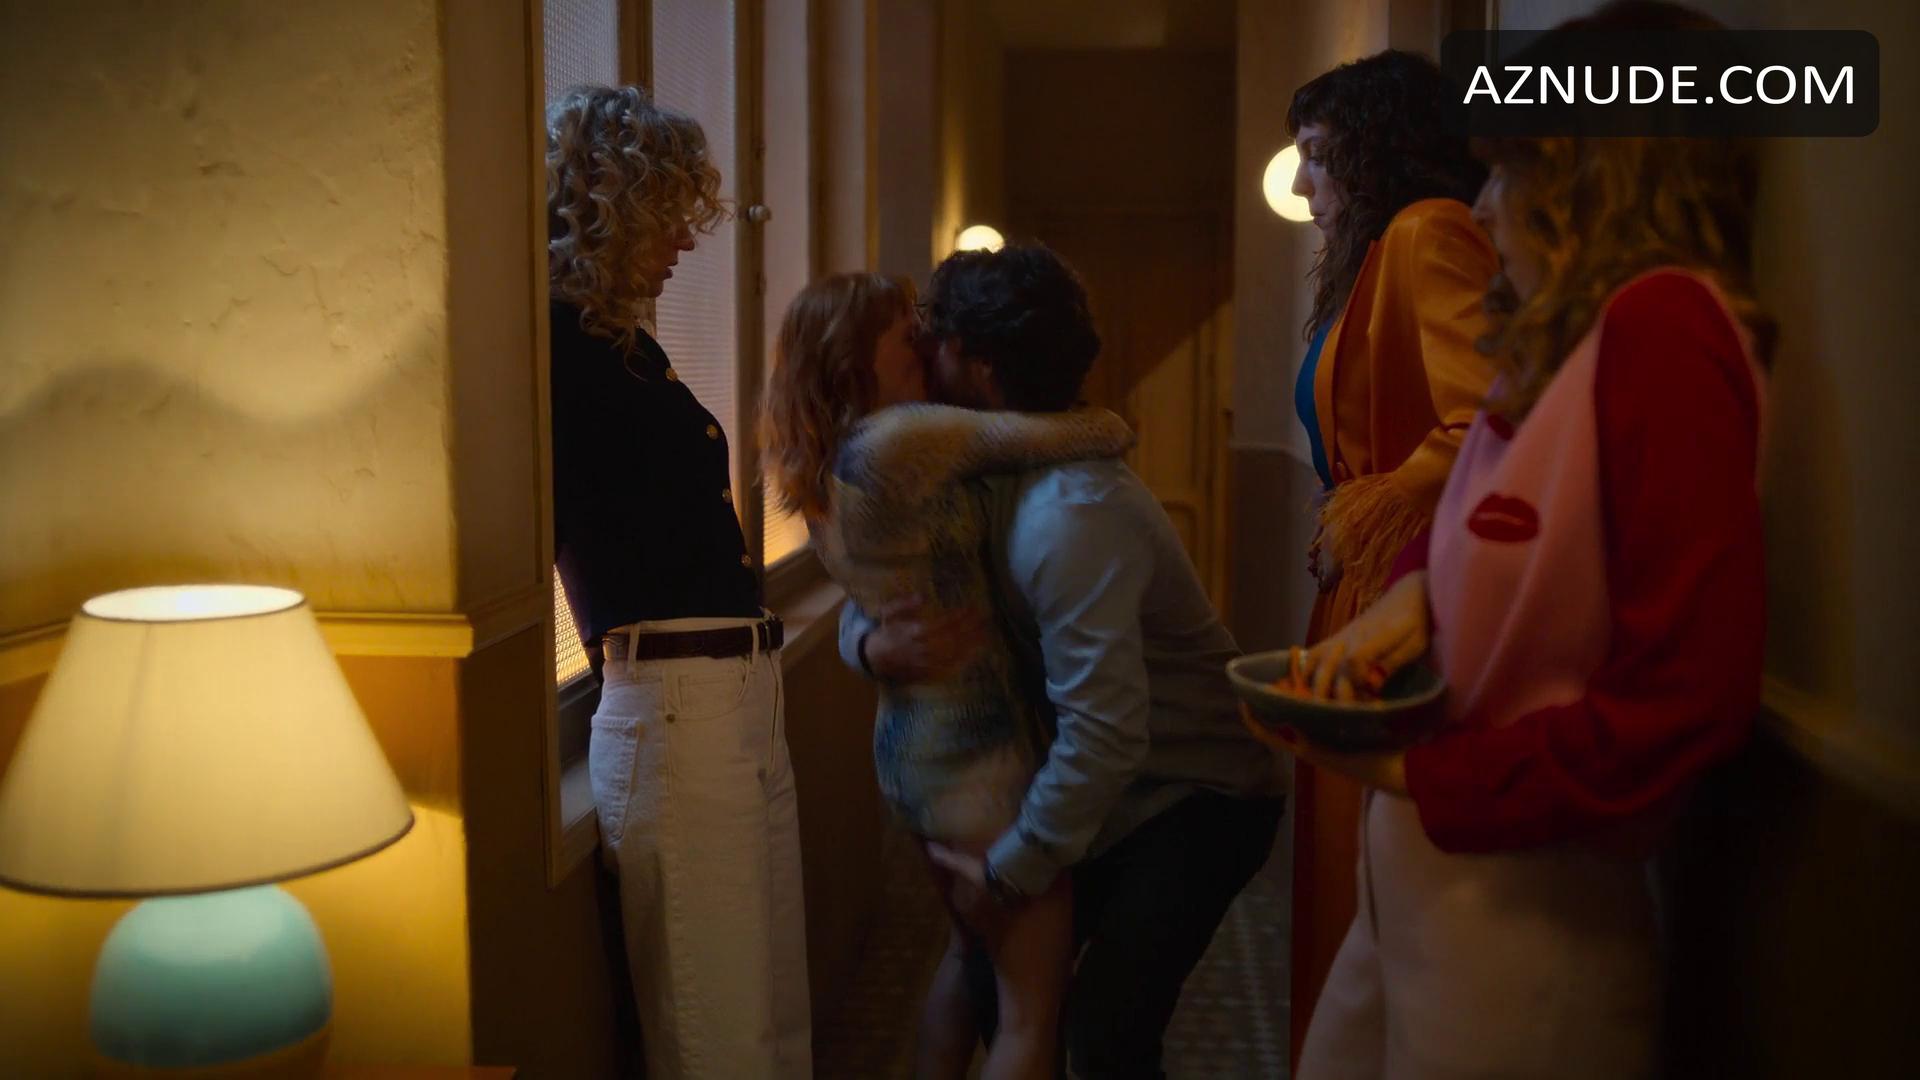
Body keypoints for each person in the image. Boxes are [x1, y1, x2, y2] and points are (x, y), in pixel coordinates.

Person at [1265, 4, 1771, 1075]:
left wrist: (1412, 768)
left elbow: (1689, 697)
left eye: (1511, 171)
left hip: (1525, 910)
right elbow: (1469, 521)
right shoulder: (1556, 347)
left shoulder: (1667, 332)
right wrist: (1407, 602)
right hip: (1424, 877)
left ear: (1600, 170)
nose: (1484, 207)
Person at [843, 245, 1288, 1077]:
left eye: (937, 337)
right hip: (1107, 787)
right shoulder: (972, 468)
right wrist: (870, 646)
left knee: (1106, 1032)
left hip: (1201, 795)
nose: (923, 352)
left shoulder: (1075, 514)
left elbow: (1106, 734)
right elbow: (875, 584)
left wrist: (1011, 871)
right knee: (991, 983)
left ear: (976, 366)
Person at [759, 272, 1134, 1079]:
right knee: (1030, 1012)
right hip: (976, 762)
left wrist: (865, 645)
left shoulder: (832, 460)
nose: (926, 344)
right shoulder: (898, 442)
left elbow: (875, 599)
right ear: (854, 358)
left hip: (912, 748)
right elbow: (1086, 432)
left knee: (967, 963)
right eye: (905, 334)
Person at [546, 85, 809, 1078]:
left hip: (733, 693)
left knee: (773, 1018)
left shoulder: (627, 349)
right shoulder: (552, 351)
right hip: (674, 704)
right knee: (719, 1035)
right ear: (607, 206)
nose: (686, 242)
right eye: (666, 215)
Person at [1278, 49, 1501, 1060]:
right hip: (1365, 585)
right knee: (1339, 882)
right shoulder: (1375, 254)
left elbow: (1481, 421)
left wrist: (1365, 514)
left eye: (1317, 154)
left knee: (1361, 897)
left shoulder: (1429, 231)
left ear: (1377, 150)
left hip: (1399, 593)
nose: (1303, 185)